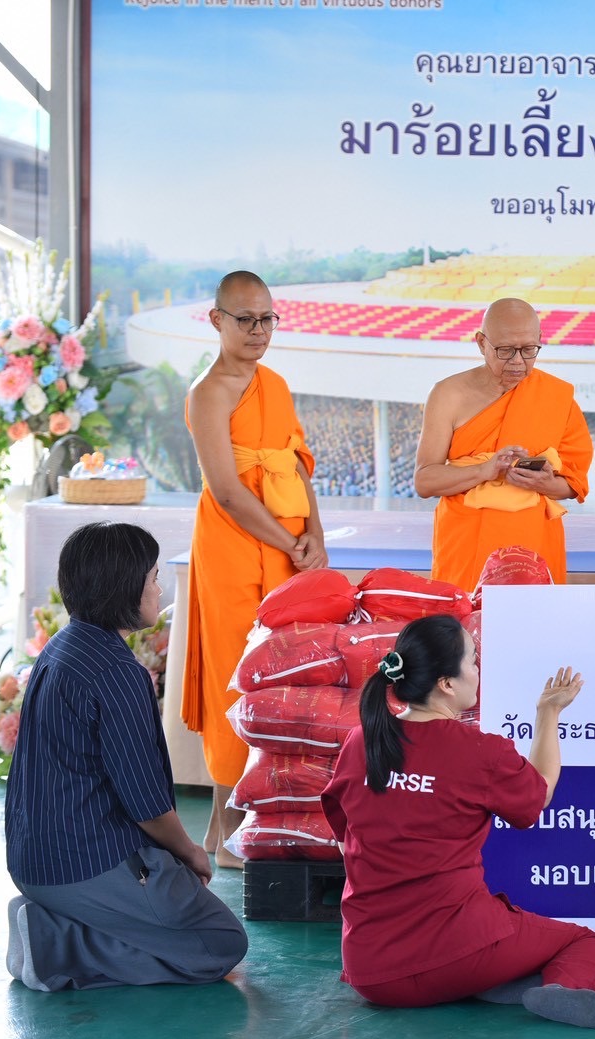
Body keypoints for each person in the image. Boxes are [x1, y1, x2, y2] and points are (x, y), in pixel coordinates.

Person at [320, 615, 595, 1028]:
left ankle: (481, 981)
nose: (479, 673)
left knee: (479, 948)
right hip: (457, 950)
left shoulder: (360, 742)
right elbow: (539, 794)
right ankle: (557, 988)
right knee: (588, 943)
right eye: (474, 662)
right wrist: (549, 713)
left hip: (370, 971)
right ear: (446, 682)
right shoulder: (480, 752)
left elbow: (343, 837)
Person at [4, 522, 249, 991]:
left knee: (174, 905)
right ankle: (54, 940)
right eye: (154, 577)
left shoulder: (62, 647)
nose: (158, 590)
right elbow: (148, 806)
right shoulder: (117, 673)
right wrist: (190, 853)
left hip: (33, 859)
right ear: (124, 586)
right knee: (219, 945)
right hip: (82, 865)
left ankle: (59, 923)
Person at [184, 269, 327, 868]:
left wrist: (314, 534)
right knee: (234, 676)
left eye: (268, 318)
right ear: (216, 320)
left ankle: (256, 820)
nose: (259, 330)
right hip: (232, 546)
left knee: (281, 678)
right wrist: (289, 542)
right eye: (246, 319)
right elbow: (228, 491)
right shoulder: (208, 392)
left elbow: (295, 467)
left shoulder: (276, 384)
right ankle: (228, 825)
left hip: (285, 543)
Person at [415, 298, 593, 590]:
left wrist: (543, 483)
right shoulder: (448, 394)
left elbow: (573, 485)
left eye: (528, 350)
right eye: (506, 350)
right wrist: (486, 470)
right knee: (463, 630)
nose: (517, 362)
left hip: (533, 540)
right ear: (481, 342)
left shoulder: (556, 396)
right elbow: (424, 481)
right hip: (466, 540)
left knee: (533, 626)